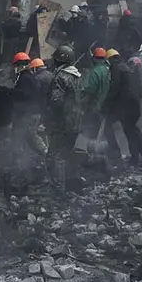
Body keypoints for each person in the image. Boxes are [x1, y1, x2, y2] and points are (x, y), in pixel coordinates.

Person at [45, 45, 84, 189]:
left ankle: (58, 188)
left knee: (54, 156)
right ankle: (71, 184)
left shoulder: (61, 77)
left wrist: (48, 116)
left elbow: (56, 101)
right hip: (75, 122)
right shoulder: (77, 76)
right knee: (67, 154)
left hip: (62, 123)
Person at [104, 49, 142, 166]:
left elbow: (115, 88)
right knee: (132, 130)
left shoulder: (116, 68)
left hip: (126, 106)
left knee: (124, 129)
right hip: (133, 104)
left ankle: (127, 156)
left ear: (110, 59)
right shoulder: (126, 67)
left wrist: (106, 103)